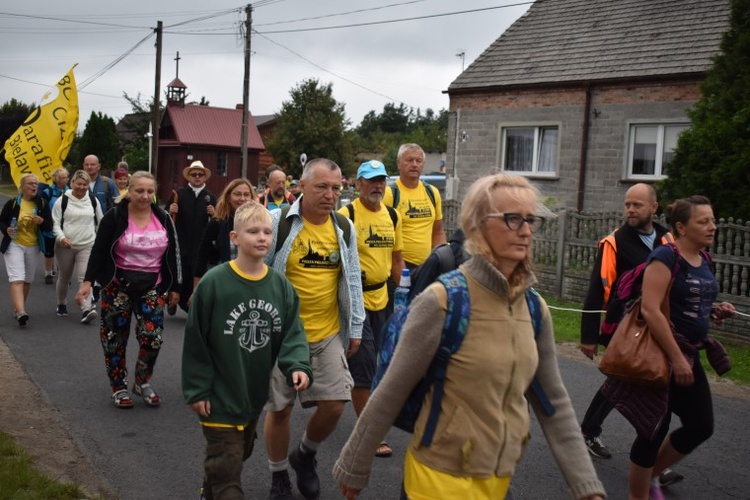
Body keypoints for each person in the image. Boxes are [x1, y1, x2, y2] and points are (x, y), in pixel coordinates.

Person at [333, 173, 606, 500]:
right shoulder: (442, 301)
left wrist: (588, 488)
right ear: (476, 226)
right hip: (437, 480)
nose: (526, 230)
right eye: (512, 219)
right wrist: (355, 465)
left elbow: (555, 406)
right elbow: (390, 389)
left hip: (498, 480)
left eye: (531, 220)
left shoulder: (534, 310)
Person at [603, 195, 733, 500]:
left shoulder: (704, 259)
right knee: (652, 430)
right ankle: (639, 495)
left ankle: (652, 478)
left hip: (689, 355)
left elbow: (685, 300)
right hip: (661, 356)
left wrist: (713, 309)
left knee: (701, 425)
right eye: (704, 221)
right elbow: (651, 309)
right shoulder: (665, 257)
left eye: (712, 220)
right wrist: (676, 358)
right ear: (682, 228)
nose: (712, 226)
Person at [182, 200, 313, 500]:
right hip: (218, 396)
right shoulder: (214, 283)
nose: (262, 237)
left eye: (267, 231)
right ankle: (219, 484)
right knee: (230, 481)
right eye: (253, 231)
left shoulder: (280, 287)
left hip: (252, 395)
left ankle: (211, 482)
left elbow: (293, 331)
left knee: (240, 452)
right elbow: (195, 342)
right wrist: (197, 388)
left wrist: (297, 365)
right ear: (234, 238)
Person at [263, 158, 365, 500]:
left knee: (336, 403)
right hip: (282, 336)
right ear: (302, 186)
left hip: (327, 333)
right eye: (322, 186)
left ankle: (304, 455)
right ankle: (278, 476)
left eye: (336, 188)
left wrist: (355, 327)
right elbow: (254, 271)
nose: (330, 195)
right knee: (281, 409)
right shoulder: (277, 222)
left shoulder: (343, 228)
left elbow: (351, 278)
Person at [578, 184, 683, 486]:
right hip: (624, 328)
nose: (630, 211)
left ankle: (590, 433)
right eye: (627, 205)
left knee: (623, 385)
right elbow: (596, 289)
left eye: (637, 205)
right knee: (637, 384)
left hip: (660, 326)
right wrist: (588, 335)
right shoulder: (615, 242)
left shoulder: (668, 239)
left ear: (654, 207)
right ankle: (651, 464)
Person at [76, 171, 180, 409]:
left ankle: (142, 381)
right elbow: (99, 250)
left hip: (152, 284)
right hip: (118, 285)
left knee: (152, 338)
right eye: (139, 191)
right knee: (115, 339)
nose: (145, 196)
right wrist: (87, 282)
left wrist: (175, 287)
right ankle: (119, 387)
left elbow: (173, 254)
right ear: (129, 191)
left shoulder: (163, 218)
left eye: (150, 191)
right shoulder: (114, 216)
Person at [338, 160, 404, 459]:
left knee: (379, 363)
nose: (377, 186)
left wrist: (394, 286)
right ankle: (369, 432)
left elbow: (397, 256)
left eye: (382, 180)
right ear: (358, 183)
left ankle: (337, 383)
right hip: (355, 300)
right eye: (371, 180)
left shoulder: (392, 215)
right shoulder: (345, 215)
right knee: (363, 365)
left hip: (384, 297)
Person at [0, 173, 53, 327]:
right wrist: (7, 229)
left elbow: (49, 225)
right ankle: (21, 311)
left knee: (27, 280)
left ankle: (18, 308)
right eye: (30, 183)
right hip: (14, 244)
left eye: (36, 184)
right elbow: (1, 222)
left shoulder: (42, 204)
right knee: (17, 278)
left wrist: (42, 221)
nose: (34, 186)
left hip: (33, 245)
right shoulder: (13, 203)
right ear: (22, 187)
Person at [165, 160, 217, 314]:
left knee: (195, 271)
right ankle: (173, 298)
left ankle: (188, 303)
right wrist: (170, 209)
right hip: (181, 239)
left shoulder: (210, 197)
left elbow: (218, 219)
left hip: (200, 242)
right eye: (194, 174)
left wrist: (214, 214)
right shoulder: (178, 194)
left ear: (205, 177)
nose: (197, 177)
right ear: (189, 176)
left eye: (200, 174)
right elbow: (166, 215)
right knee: (179, 270)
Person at [383, 143, 446, 269]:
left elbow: (438, 231)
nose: (414, 164)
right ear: (399, 163)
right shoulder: (389, 194)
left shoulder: (432, 192)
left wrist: (442, 259)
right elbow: (383, 236)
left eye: (419, 161)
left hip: (428, 265)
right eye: (409, 160)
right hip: (399, 265)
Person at [52, 170, 103, 323]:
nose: (82, 187)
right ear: (72, 183)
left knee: (85, 277)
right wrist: (61, 238)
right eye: (79, 184)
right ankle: (61, 303)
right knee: (65, 277)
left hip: (87, 244)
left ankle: (86, 309)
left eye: (85, 184)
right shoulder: (62, 201)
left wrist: (99, 241)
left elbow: (101, 222)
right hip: (65, 246)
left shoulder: (93, 201)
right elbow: (55, 223)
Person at [193, 178, 256, 291]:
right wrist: (196, 289)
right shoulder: (217, 223)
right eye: (237, 194)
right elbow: (202, 256)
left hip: (249, 282)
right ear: (228, 197)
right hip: (220, 283)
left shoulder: (257, 225)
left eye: (246, 194)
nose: (242, 198)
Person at [40, 166, 70, 284]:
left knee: (64, 252)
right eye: (63, 177)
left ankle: (64, 275)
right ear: (57, 179)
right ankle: (48, 273)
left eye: (67, 177)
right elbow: (43, 208)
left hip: (66, 226)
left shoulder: (70, 191)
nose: (66, 179)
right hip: (51, 225)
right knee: (49, 251)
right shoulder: (48, 192)